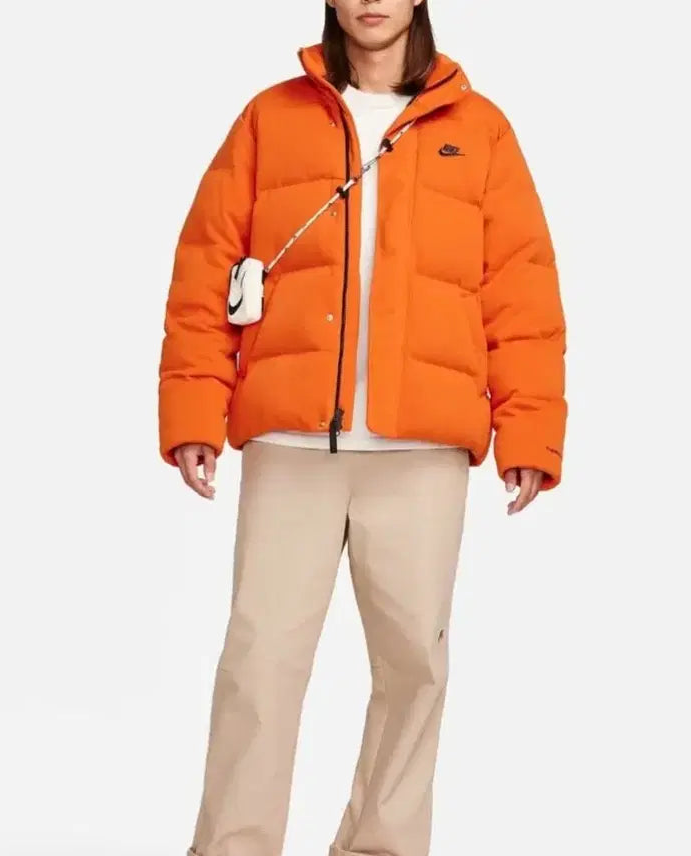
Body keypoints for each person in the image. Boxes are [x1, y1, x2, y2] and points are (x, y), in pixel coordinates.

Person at [158, 1, 566, 854]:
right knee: (259, 664)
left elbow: (521, 292)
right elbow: (205, 268)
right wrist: (195, 411)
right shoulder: (270, 119)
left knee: (416, 666)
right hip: (290, 446)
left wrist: (528, 433)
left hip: (423, 451)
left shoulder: (481, 130)